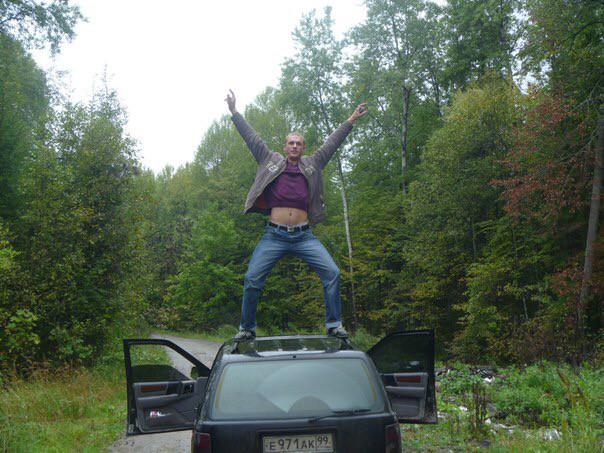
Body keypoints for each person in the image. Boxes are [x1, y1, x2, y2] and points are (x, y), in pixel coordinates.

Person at [226, 90, 368, 341]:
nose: (294, 146)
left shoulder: (313, 164)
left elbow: (332, 143)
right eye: (290, 143)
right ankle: (247, 328)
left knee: (332, 273)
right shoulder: (269, 159)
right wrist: (235, 112)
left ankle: (334, 324)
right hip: (274, 235)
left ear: (303, 148)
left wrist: (351, 120)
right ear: (284, 146)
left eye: (298, 143)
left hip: (304, 237)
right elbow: (251, 137)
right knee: (252, 278)